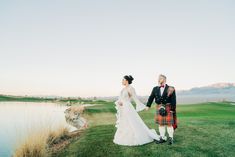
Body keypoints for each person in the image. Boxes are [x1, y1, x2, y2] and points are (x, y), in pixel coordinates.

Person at [113, 75, 160, 146]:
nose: (122, 81)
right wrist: (120, 102)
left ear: (127, 80)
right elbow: (121, 98)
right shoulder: (123, 89)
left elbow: (135, 98)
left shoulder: (131, 88)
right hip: (123, 107)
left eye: (123, 80)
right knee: (124, 121)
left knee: (131, 121)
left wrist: (143, 106)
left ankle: (137, 136)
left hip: (128, 107)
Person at [146, 74, 177, 145]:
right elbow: (151, 97)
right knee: (161, 124)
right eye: (158, 78)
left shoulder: (171, 88)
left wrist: (172, 109)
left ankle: (170, 138)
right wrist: (148, 105)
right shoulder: (155, 88)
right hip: (159, 107)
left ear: (165, 80)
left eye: (161, 78)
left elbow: (173, 99)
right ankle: (162, 138)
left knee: (169, 124)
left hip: (168, 107)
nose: (159, 79)